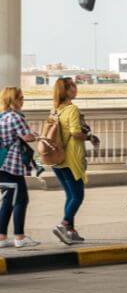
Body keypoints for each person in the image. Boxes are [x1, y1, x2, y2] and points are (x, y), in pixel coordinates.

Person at [51, 78, 94, 244]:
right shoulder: (72, 109)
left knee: (70, 195)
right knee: (77, 196)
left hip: (57, 159)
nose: (76, 89)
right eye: (72, 87)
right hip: (71, 159)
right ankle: (64, 225)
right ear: (66, 91)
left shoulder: (55, 109)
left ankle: (70, 232)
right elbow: (75, 132)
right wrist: (89, 137)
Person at [0, 87, 42, 248]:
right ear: (14, 100)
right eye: (21, 98)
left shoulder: (2, 116)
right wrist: (36, 135)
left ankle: (2, 238)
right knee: (21, 200)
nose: (23, 101)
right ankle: (20, 237)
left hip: (1, 165)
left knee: (8, 201)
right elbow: (27, 137)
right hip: (11, 166)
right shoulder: (15, 117)